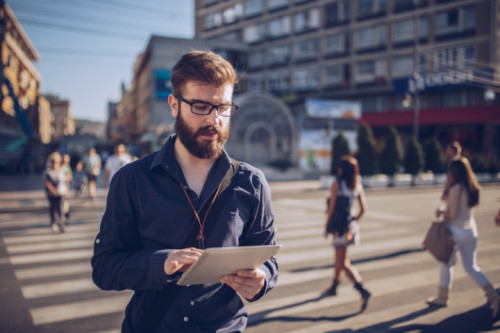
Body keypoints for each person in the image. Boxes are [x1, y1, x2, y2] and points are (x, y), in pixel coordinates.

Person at [91, 50, 278, 333]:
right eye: (201, 106)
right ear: (174, 105)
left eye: (223, 107)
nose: (215, 119)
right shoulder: (132, 180)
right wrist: (161, 263)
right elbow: (104, 269)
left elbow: (269, 257)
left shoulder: (252, 182)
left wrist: (263, 277)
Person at [427, 157, 499, 318]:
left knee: (446, 263)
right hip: (470, 231)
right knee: (471, 267)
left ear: (454, 172)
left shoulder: (455, 188)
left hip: (456, 232)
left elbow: (452, 215)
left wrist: (441, 211)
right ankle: (494, 296)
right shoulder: (471, 187)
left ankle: (442, 297)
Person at [323, 155, 371, 310]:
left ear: (342, 170)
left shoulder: (337, 184)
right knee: (340, 258)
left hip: (339, 228)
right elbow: (363, 209)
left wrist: (326, 225)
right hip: (349, 227)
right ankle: (334, 286)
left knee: (342, 262)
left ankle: (362, 290)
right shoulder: (357, 185)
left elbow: (331, 209)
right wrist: (353, 220)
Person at [44, 155, 67, 233]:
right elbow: (47, 182)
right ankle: (53, 222)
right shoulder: (48, 171)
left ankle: (61, 224)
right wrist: (52, 190)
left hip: (61, 192)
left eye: (56, 162)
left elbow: (66, 181)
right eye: (53, 162)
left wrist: (68, 192)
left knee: (60, 208)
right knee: (52, 208)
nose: (55, 164)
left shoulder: (62, 170)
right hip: (51, 193)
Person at [61, 154, 73, 219]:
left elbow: (70, 176)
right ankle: (64, 212)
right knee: (64, 199)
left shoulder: (67, 166)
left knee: (66, 199)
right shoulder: (61, 166)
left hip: (66, 184)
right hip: (62, 185)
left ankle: (66, 212)